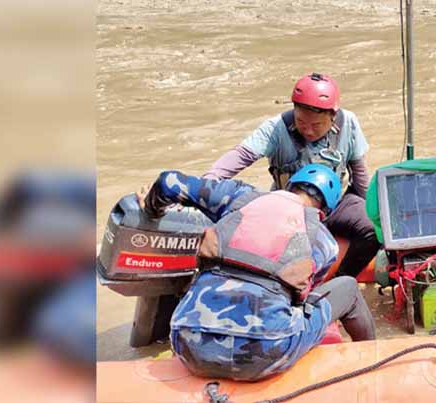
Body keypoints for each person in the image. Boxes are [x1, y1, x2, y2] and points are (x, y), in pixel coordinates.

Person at [137, 164, 376, 381]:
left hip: (187, 342)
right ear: (326, 210)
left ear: (289, 185)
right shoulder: (324, 241)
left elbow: (168, 182)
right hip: (266, 353)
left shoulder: (239, 195)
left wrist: (151, 210)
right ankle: (373, 363)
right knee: (348, 288)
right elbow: (301, 299)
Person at [203, 73, 379, 279]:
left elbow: (360, 175)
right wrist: (207, 183)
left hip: (336, 203)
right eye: (302, 122)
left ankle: (341, 279)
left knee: (372, 230)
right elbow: (240, 156)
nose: (308, 130)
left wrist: (376, 217)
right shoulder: (275, 128)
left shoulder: (349, 123)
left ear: (332, 116)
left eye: (316, 125)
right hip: (289, 207)